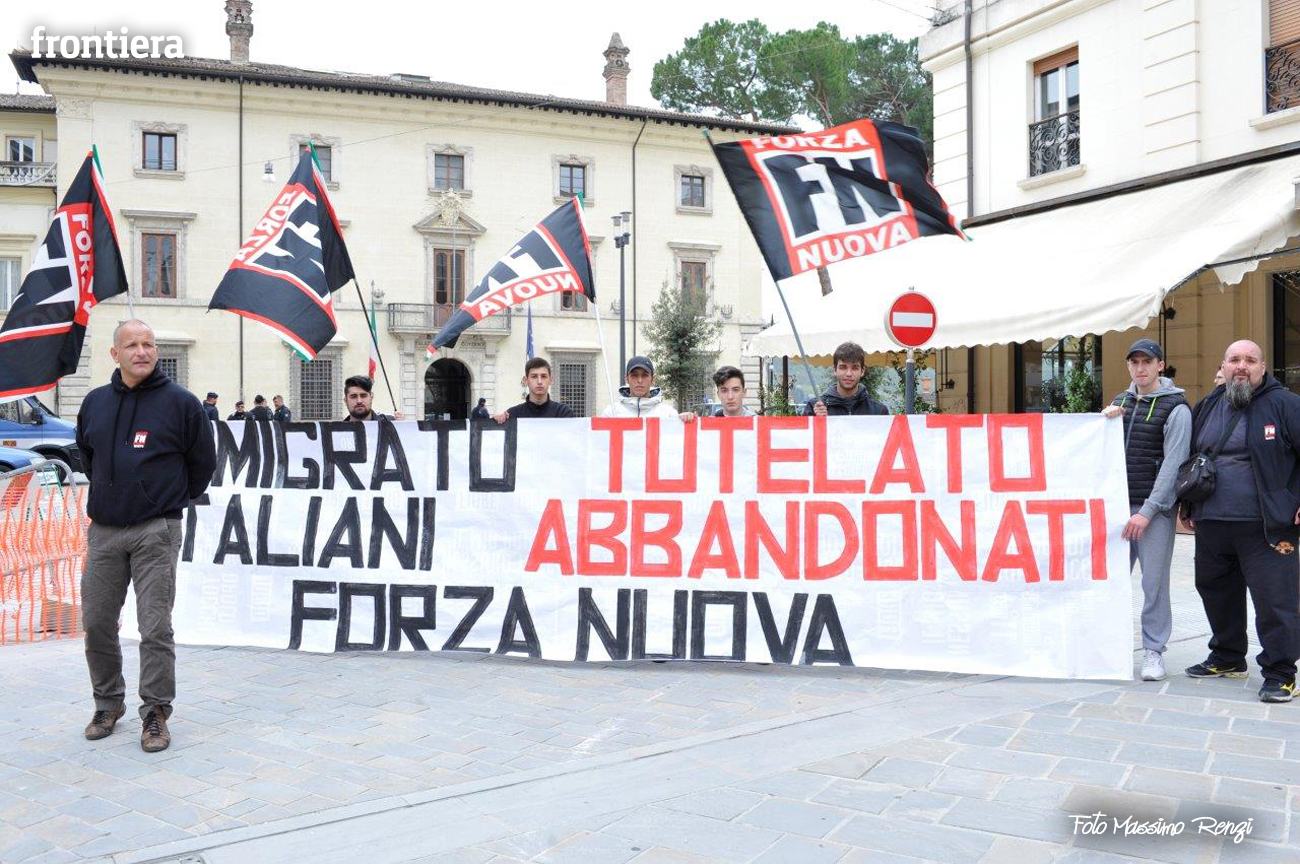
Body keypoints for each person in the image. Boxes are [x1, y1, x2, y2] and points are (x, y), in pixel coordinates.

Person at [75, 319, 215, 752]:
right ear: (114, 354)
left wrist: (163, 501)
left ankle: (155, 712)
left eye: (149, 344)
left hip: (156, 530)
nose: (142, 351)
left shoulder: (182, 404)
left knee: (155, 627)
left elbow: (202, 465)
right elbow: (88, 456)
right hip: (104, 532)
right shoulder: (95, 402)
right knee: (97, 623)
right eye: (132, 345)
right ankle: (107, 703)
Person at [1183, 339, 1300, 703]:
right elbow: (1194, 458)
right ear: (1224, 366)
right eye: (1234, 359)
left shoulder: (1285, 404)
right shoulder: (1208, 404)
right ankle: (1228, 656)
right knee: (1215, 590)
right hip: (1212, 520)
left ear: (1263, 368)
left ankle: (1281, 673)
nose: (1242, 366)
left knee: (1275, 600)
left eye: (1250, 360)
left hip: (1268, 524)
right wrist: (1188, 506)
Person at [1101, 338, 1190, 682]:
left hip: (1154, 513)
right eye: (1134, 362)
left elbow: (1173, 464)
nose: (1140, 368)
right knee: (1110, 581)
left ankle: (1154, 650)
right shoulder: (1118, 403)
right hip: (1116, 508)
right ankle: (1109, 646)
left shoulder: (1176, 408)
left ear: (1159, 365)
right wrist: (1103, 421)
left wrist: (1148, 511)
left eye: (1147, 362)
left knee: (1153, 584)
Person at [804, 342, 889, 416]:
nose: (848, 374)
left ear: (862, 371)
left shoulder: (879, 411)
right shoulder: (814, 408)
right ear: (835, 370)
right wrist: (818, 422)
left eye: (855, 368)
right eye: (843, 367)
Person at [601, 356, 696, 420]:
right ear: (627, 379)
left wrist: (682, 423)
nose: (639, 380)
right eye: (634, 375)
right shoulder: (611, 413)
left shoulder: (668, 414)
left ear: (653, 379)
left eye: (644, 375)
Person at [494, 357, 575, 421]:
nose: (539, 381)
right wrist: (496, 422)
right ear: (526, 381)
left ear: (550, 380)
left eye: (543, 376)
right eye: (534, 376)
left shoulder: (562, 413)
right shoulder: (513, 414)